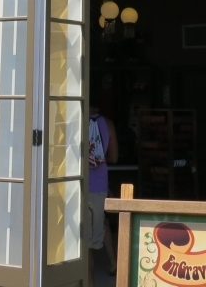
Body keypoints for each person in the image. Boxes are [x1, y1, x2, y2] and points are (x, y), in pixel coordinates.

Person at [88, 101, 119, 287]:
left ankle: (89, 281)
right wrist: (99, 158)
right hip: (100, 184)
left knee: (84, 242)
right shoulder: (107, 124)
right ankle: (114, 263)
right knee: (102, 222)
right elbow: (114, 157)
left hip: (78, 186)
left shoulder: (74, 120)